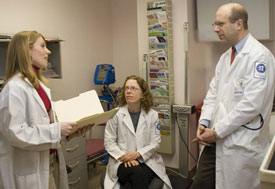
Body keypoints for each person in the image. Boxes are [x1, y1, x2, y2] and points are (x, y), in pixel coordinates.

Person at [190, 3, 275, 189]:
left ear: (239, 24)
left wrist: (217, 131)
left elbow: (252, 104)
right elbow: (213, 93)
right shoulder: (225, 57)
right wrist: (203, 121)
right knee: (201, 184)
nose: (215, 29)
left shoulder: (260, 57)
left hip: (241, 143)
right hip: (215, 139)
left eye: (220, 24)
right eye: (215, 24)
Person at [0, 31, 91, 189]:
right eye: (42, 46)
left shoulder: (39, 86)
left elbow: (45, 125)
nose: (48, 51)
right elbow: (15, 133)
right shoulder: (14, 88)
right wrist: (57, 130)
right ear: (26, 51)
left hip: (48, 162)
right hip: (29, 170)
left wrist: (68, 133)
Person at [104, 75, 172, 189]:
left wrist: (137, 154)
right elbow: (109, 142)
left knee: (133, 181)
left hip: (146, 159)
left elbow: (155, 143)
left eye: (133, 88)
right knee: (136, 172)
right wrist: (124, 157)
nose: (129, 91)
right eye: (126, 88)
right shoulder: (115, 115)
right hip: (121, 161)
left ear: (142, 94)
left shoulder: (152, 115)